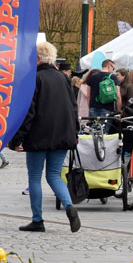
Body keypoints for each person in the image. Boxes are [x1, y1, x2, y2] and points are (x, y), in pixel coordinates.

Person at [10, 41, 81, 234]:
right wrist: (75, 132)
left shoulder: (33, 78)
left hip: (38, 136)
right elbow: (73, 107)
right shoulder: (63, 78)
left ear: (38, 58)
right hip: (62, 135)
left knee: (34, 177)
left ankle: (37, 220)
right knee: (54, 175)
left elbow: (29, 112)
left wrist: (18, 138)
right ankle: (69, 205)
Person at [87, 59, 121, 130]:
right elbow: (118, 96)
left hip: (93, 108)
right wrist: (118, 111)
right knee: (104, 132)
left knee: (93, 132)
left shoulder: (92, 76)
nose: (113, 70)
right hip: (107, 109)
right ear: (109, 66)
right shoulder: (113, 77)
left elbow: (88, 95)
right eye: (113, 68)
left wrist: (90, 107)